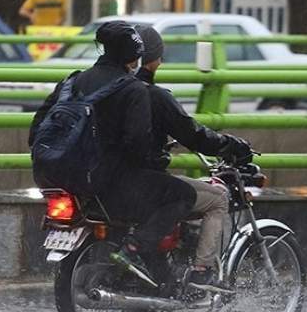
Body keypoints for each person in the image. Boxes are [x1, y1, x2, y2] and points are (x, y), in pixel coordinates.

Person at [29, 21, 197, 286]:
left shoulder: (71, 82)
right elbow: (137, 146)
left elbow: (36, 129)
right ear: (134, 56)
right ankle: (134, 251)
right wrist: (157, 160)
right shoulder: (133, 90)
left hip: (53, 177)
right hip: (101, 182)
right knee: (183, 194)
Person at [135, 25, 253, 293]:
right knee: (217, 198)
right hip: (141, 183)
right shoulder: (153, 95)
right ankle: (201, 272)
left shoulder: (102, 89)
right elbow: (193, 135)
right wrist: (230, 145)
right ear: (155, 60)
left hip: (106, 179)